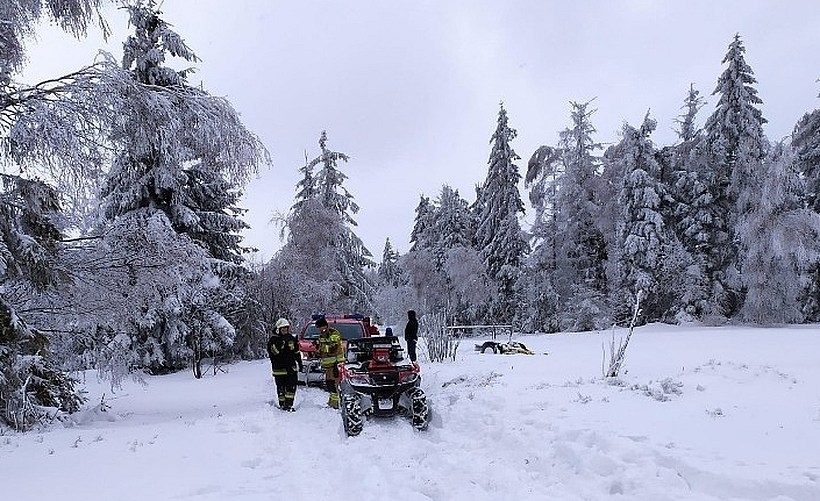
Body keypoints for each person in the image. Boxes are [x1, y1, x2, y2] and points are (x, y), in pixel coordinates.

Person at [267, 318, 302, 412]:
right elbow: (275, 353)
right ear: (278, 329)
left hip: (291, 368)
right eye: (283, 329)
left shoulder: (291, 338)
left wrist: (300, 362)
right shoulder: (273, 340)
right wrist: (281, 343)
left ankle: (289, 405)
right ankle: (282, 405)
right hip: (279, 369)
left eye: (286, 329)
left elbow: (296, 352)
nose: (285, 331)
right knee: (281, 388)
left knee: (291, 387)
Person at [316, 317, 345, 409]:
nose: (320, 329)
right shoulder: (322, 335)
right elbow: (322, 349)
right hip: (328, 364)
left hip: (336, 363)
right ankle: (332, 402)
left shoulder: (334, 333)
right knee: (329, 383)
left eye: (321, 327)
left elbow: (333, 348)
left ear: (325, 325)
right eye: (319, 328)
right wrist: (317, 350)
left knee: (334, 383)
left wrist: (322, 348)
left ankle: (336, 404)